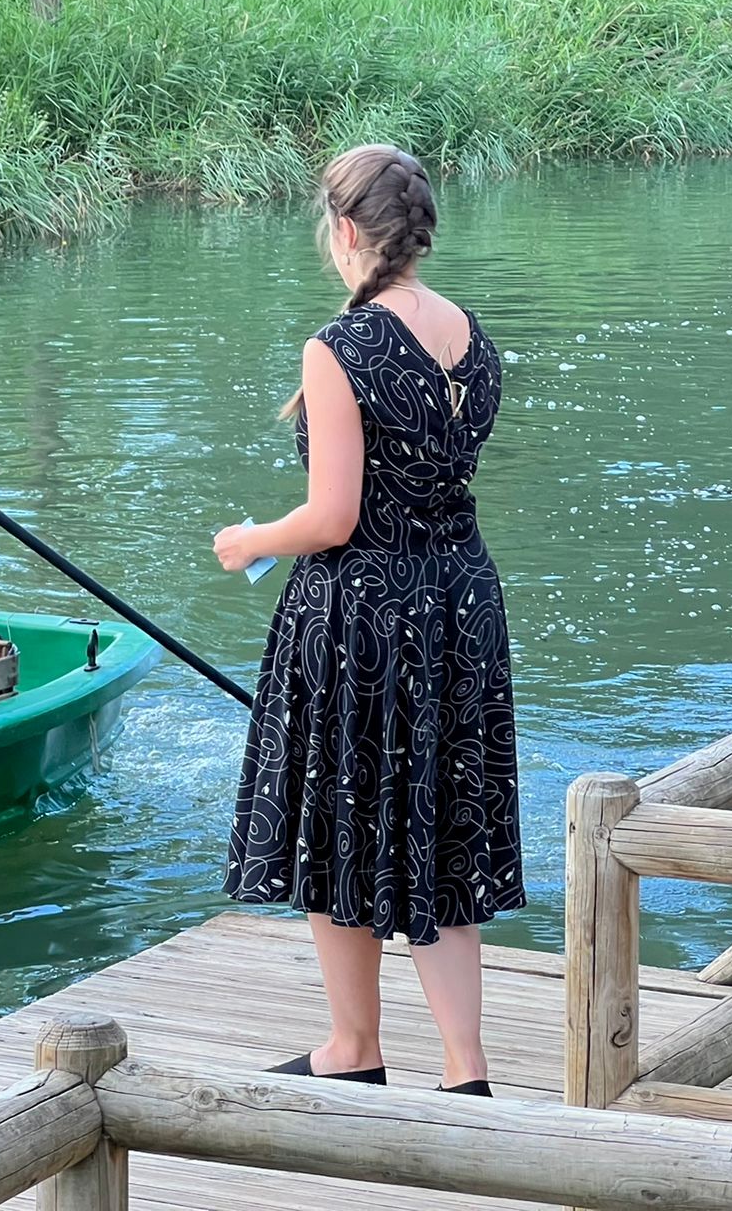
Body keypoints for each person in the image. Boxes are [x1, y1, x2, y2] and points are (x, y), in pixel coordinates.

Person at [211, 144, 522, 1097]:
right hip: (463, 602)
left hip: (364, 616)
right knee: (444, 827)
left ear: (346, 232)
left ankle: (355, 1046)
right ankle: (466, 1072)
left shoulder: (338, 349)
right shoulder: (471, 334)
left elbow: (334, 516)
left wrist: (251, 536)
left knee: (336, 822)